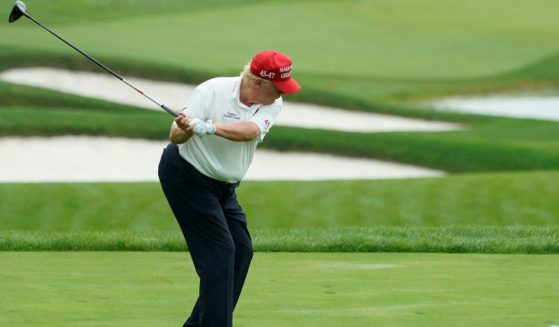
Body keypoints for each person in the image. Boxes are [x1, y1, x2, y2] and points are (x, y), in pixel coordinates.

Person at [158, 50, 301, 327]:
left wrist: (209, 128)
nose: (282, 94)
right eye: (278, 87)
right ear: (258, 82)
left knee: (242, 250)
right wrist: (187, 127)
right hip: (187, 177)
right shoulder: (212, 90)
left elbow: (249, 130)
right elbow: (175, 137)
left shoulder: (272, 104)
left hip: (223, 187)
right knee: (220, 254)